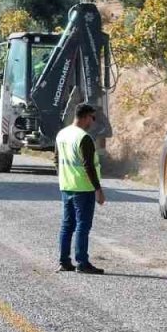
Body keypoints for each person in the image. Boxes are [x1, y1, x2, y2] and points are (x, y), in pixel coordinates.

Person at [55, 104, 106, 274]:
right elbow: (88, 165)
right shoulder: (84, 138)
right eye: (93, 117)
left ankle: (64, 261)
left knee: (67, 225)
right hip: (83, 188)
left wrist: (63, 177)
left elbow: (56, 159)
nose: (93, 121)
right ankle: (82, 263)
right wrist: (98, 189)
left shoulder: (62, 134)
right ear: (85, 117)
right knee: (83, 226)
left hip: (66, 186)